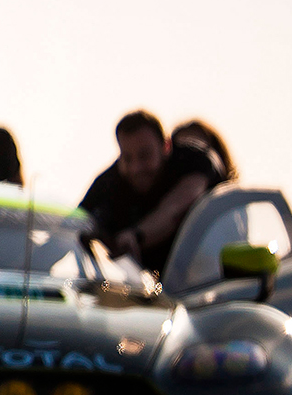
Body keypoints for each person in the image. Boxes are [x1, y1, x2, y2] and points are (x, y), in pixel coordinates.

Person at [79, 109, 224, 282]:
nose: (136, 168)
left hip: (207, 286)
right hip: (143, 293)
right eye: (127, 158)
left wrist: (136, 235)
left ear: (166, 146)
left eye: (145, 155)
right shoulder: (107, 183)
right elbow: (74, 226)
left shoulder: (195, 160)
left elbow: (176, 208)